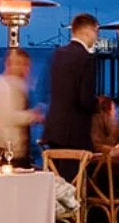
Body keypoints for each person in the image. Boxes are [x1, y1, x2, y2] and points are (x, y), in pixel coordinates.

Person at [44, 13, 102, 154]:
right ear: (89, 30)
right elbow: (85, 100)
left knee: (57, 168)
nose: (97, 37)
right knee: (75, 168)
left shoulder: (57, 54)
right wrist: (98, 104)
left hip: (54, 129)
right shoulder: (86, 59)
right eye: (96, 32)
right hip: (75, 133)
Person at [0, 50, 35, 166]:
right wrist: (34, 115)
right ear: (8, 64)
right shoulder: (3, 86)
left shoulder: (17, 84)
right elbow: (7, 116)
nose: (23, 68)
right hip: (9, 149)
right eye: (18, 63)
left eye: (25, 65)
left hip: (18, 149)